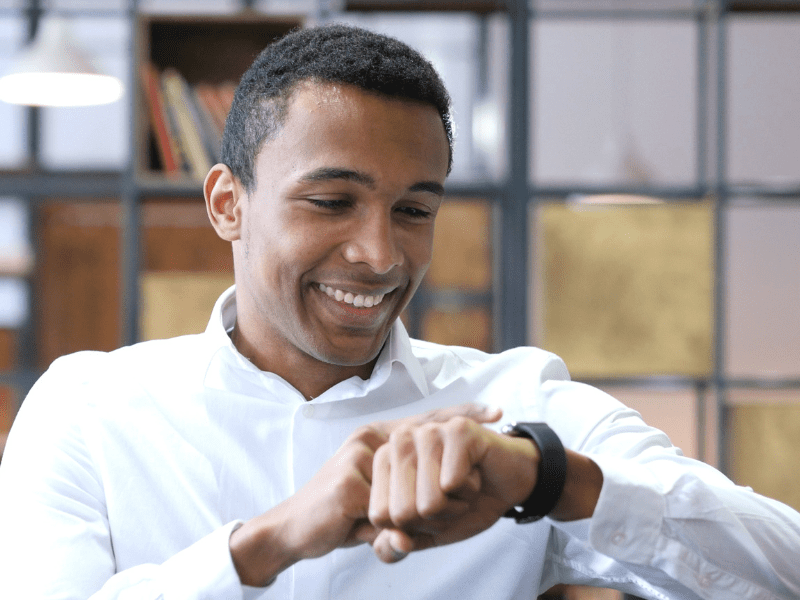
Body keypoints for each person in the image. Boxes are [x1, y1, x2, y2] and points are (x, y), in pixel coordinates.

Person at [1, 23, 799, 600]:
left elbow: (783, 570)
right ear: (226, 204)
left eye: (414, 211)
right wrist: (270, 542)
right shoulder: (86, 411)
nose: (381, 255)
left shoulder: (518, 407)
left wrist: (551, 477)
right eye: (331, 201)